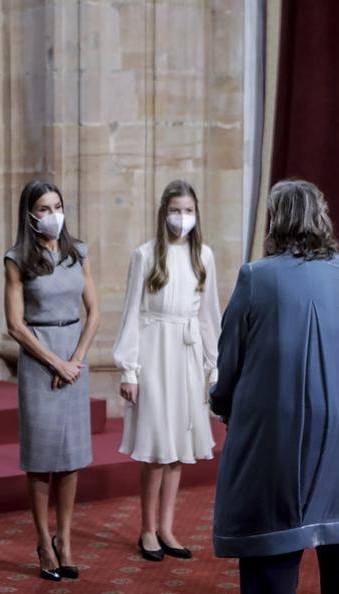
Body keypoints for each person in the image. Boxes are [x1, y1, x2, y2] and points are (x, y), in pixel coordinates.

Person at [212, 180, 339, 594]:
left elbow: (231, 356)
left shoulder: (257, 277)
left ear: (275, 220)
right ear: (321, 217)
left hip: (285, 425)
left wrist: (225, 405)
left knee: (273, 541)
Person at [113, 179, 221, 562]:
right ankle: (146, 529)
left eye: (189, 211)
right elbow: (131, 314)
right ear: (164, 212)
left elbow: (210, 317)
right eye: (176, 210)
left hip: (187, 355)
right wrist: (130, 369)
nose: (182, 217)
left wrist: (213, 366)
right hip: (155, 352)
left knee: (178, 450)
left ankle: (167, 527)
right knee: (157, 449)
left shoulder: (203, 256)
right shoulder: (145, 255)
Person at [4, 179, 101, 581]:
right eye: (44, 208)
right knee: (42, 458)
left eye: (57, 206)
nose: (52, 215)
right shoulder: (17, 259)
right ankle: (43, 541)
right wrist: (55, 363)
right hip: (39, 357)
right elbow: (14, 325)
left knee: (72, 458)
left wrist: (76, 359)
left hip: (74, 356)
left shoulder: (78, 252)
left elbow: (94, 311)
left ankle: (66, 539)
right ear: (30, 215)